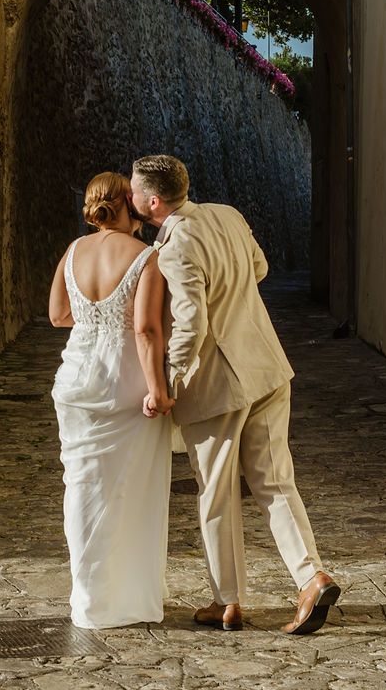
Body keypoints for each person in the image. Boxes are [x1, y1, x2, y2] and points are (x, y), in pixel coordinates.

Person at [129, 154, 339, 636]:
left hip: (217, 385)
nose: (130, 196)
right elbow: (260, 267)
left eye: (135, 191)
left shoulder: (175, 246)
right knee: (276, 483)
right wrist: (230, 284)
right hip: (266, 365)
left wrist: (170, 385)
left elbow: (192, 323)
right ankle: (310, 576)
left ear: (153, 202)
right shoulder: (228, 214)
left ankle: (227, 601)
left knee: (217, 492)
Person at [47, 171, 174, 628]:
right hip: (126, 384)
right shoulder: (147, 258)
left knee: (81, 485)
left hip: (77, 380)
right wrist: (159, 390)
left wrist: (92, 316)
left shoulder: (73, 251)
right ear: (127, 201)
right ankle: (130, 595)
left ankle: (90, 597)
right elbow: (146, 330)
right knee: (132, 488)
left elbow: (58, 314)